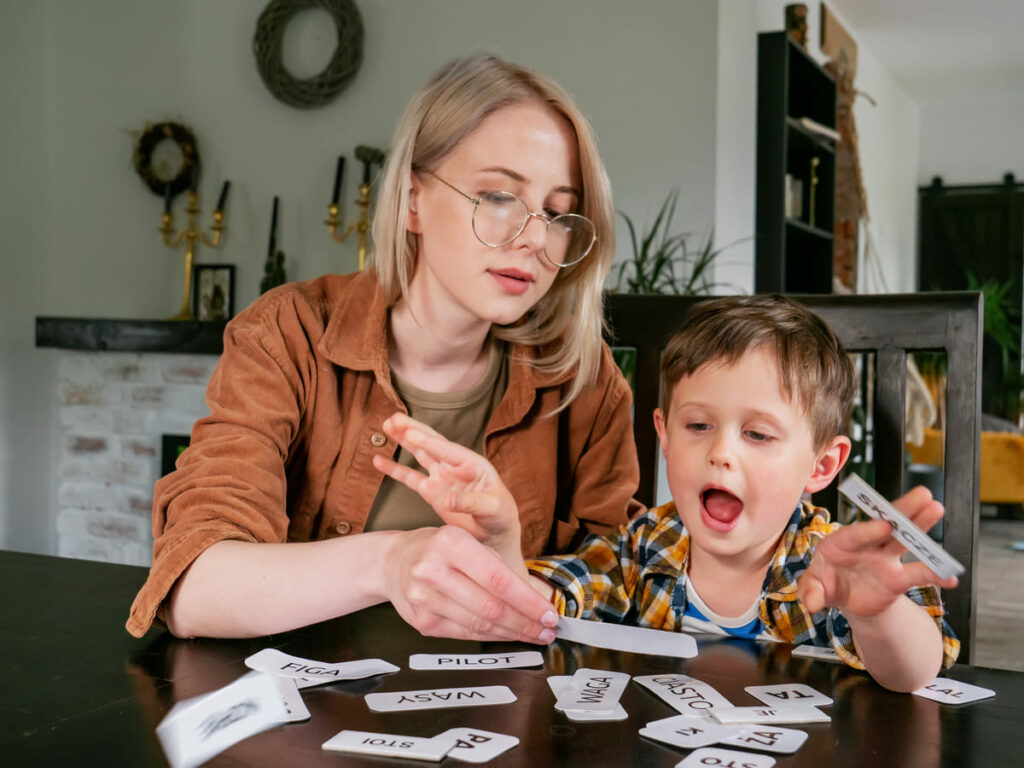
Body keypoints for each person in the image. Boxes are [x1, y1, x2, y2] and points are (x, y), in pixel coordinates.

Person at [126, 53, 641, 642]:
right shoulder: (287, 334)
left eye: (555, 212)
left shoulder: (586, 379)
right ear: (412, 200)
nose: (532, 238)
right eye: (499, 196)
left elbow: (621, 587)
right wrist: (393, 562)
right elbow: (195, 587)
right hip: (308, 723)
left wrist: (510, 559)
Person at [377, 295, 961, 692]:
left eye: (758, 434)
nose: (721, 453)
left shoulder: (833, 564)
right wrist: (501, 537)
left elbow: (914, 674)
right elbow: (543, 609)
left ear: (822, 465)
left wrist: (877, 611)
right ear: (663, 434)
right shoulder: (645, 545)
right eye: (698, 426)